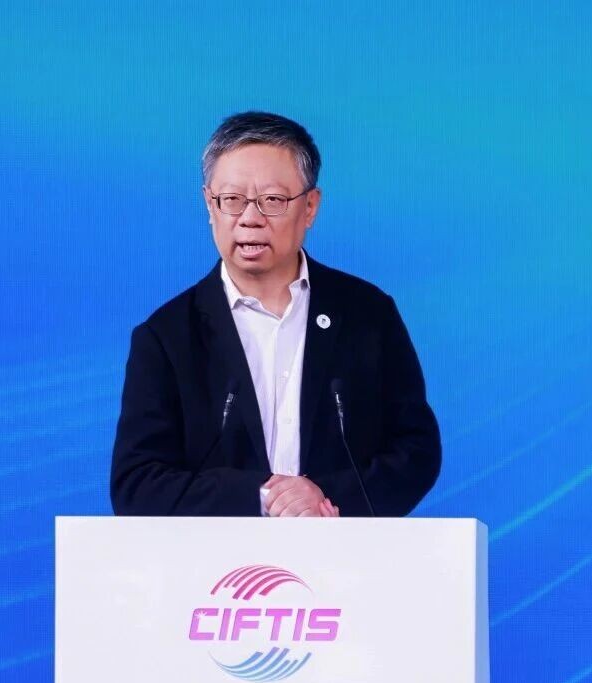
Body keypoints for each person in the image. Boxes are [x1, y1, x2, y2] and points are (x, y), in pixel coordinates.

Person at [110, 111, 441, 517]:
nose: (250, 218)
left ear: (310, 207)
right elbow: (137, 483)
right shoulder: (167, 336)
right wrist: (261, 496)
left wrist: (326, 497)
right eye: (232, 200)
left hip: (344, 550)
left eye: (272, 200)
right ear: (209, 205)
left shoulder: (368, 315)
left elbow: (416, 453)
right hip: (216, 558)